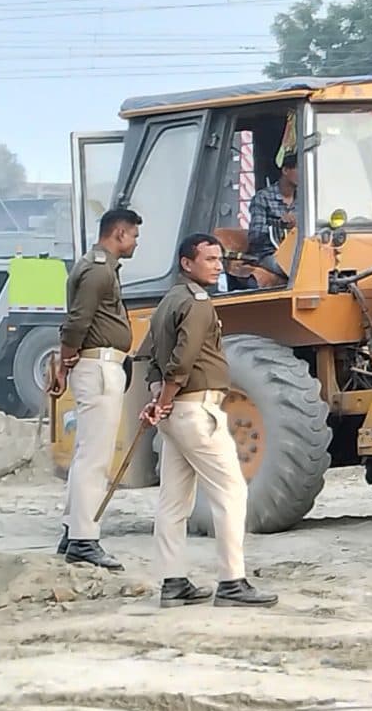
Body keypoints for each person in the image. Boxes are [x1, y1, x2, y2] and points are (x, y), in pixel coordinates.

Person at [144, 233, 275, 608]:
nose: (219, 267)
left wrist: (158, 399)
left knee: (173, 501)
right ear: (187, 263)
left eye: (220, 260)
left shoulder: (168, 301)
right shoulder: (198, 303)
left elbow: (152, 355)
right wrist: (165, 398)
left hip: (174, 414)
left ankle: (173, 582)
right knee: (232, 492)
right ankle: (232, 582)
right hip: (196, 410)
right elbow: (182, 361)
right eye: (210, 260)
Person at [54, 206, 140, 571]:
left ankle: (74, 528)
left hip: (99, 364)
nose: (136, 242)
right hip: (98, 366)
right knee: (95, 457)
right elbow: (77, 320)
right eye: (134, 235)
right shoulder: (98, 270)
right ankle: (84, 539)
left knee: (86, 454)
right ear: (119, 233)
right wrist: (65, 359)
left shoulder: (99, 266)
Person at [243, 151, 298, 280]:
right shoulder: (263, 198)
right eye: (300, 169)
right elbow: (255, 237)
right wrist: (281, 227)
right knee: (295, 269)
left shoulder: (306, 198)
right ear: (285, 170)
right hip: (269, 254)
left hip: (298, 251)